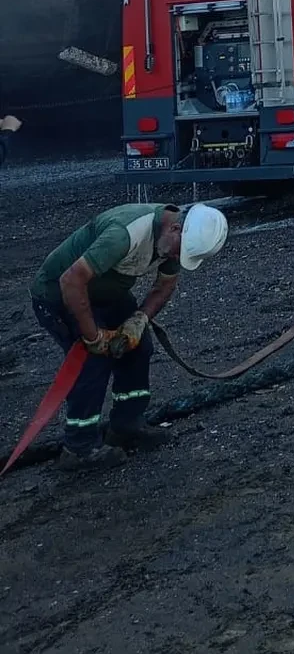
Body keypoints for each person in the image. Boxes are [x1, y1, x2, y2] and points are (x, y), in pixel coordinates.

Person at [29, 201, 228, 471]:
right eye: (179, 252)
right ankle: (78, 448)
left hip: (105, 291)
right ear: (176, 227)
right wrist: (93, 336)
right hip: (60, 294)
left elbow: (165, 285)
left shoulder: (174, 240)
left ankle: (126, 424)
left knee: (139, 346)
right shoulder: (125, 233)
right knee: (93, 361)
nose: (176, 259)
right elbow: (71, 281)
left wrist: (139, 319)